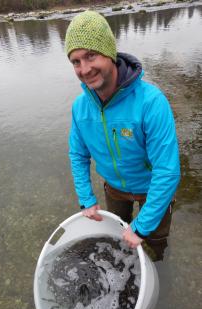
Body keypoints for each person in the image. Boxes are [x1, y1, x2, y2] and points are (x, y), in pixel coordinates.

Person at [65, 10, 180, 260]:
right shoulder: (80, 108)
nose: (84, 69)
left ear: (109, 52)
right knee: (118, 238)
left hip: (152, 188)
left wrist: (142, 227)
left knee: (155, 239)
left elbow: (167, 171)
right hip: (114, 189)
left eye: (90, 55)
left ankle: (158, 262)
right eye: (75, 61)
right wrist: (86, 199)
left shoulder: (151, 102)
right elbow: (78, 154)